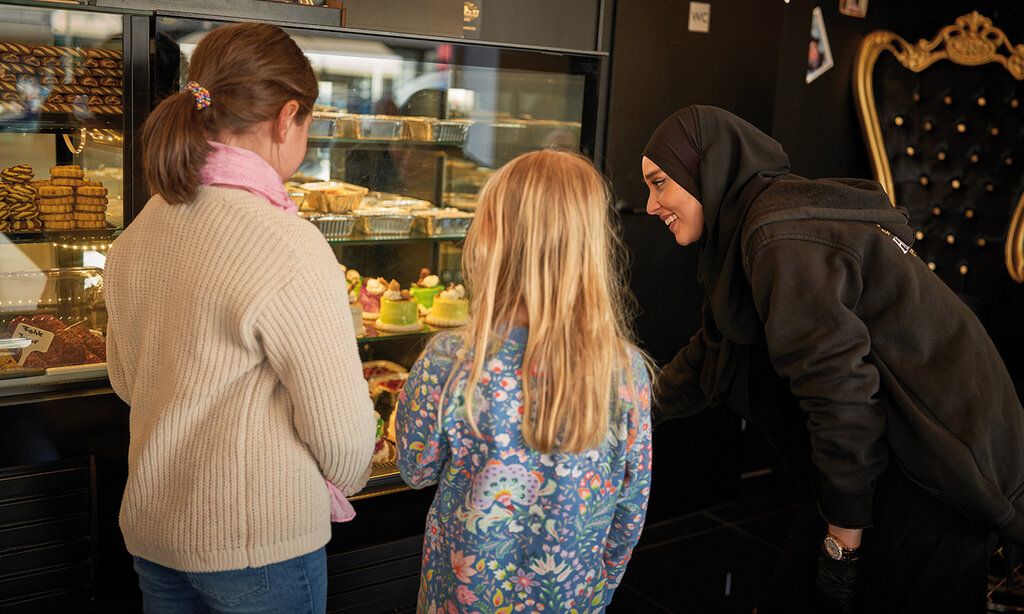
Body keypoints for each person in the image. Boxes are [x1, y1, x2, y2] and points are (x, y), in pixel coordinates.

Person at [643, 105, 1024, 613]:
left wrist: (841, 544)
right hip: (891, 455)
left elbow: (842, 400)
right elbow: (713, 349)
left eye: (660, 183)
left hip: (941, 467)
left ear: (705, 170)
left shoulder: (779, 238)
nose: (650, 205)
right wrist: (632, 412)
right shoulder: (759, 226)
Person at [105, 23, 376, 613]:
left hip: (155, 534)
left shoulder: (140, 231)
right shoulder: (288, 244)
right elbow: (346, 442)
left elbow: (127, 381)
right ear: (287, 117)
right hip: (259, 547)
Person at [395, 150, 654, 611]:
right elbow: (630, 509)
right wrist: (597, 591)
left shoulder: (450, 360)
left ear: (490, 240)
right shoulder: (625, 371)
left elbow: (415, 471)